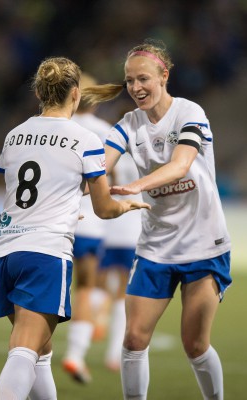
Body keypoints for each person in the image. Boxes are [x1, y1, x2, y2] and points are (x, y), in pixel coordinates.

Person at [0, 56, 149, 400]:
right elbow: (104, 209)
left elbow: (23, 187)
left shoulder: (14, 135)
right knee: (24, 350)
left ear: (38, 91)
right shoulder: (85, 139)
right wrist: (128, 205)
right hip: (43, 251)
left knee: (41, 352)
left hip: (3, 250)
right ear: (75, 93)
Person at [82, 39, 232, 400]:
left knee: (195, 345)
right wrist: (81, 182)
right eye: (130, 80)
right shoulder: (128, 124)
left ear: (165, 76)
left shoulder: (189, 112)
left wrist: (135, 186)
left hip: (203, 244)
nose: (136, 88)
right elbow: (101, 164)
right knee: (133, 339)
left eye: (143, 79)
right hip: (155, 247)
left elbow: (180, 165)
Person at [61, 72, 112, 384]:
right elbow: (110, 181)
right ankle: (75, 355)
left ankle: (34, 356)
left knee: (48, 292)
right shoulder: (105, 132)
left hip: (52, 224)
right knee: (85, 288)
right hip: (90, 224)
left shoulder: (52, 127)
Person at [98, 148, 143, 372]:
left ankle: (98, 316)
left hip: (108, 227)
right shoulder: (144, 155)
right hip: (132, 228)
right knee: (123, 292)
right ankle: (114, 353)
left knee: (98, 283)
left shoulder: (111, 157)